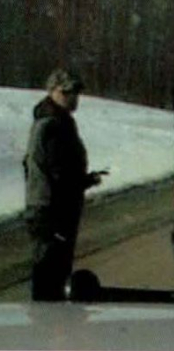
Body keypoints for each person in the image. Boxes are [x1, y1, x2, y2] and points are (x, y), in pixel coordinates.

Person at [23, 69, 105, 301]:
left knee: (53, 274)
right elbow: (59, 173)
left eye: (76, 92)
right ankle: (47, 320)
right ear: (53, 92)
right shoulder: (53, 125)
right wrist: (84, 180)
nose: (73, 97)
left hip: (49, 208)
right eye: (67, 92)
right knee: (50, 277)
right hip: (52, 211)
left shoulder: (55, 121)